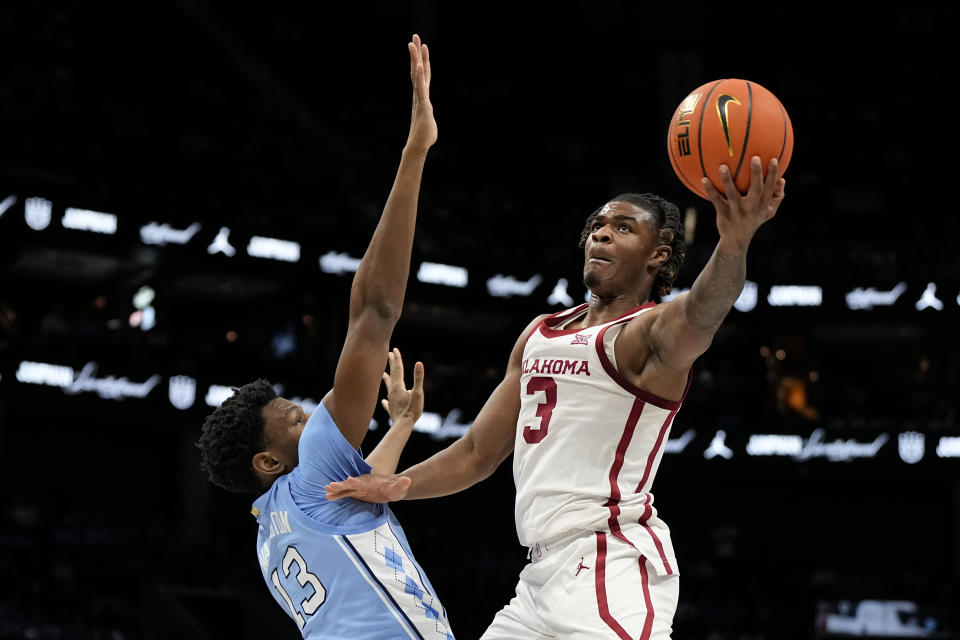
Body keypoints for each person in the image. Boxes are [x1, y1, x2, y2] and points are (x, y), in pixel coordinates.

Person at [327, 159, 786, 638]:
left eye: (623, 228)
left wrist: (735, 241)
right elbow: (477, 452)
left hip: (609, 563)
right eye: (597, 226)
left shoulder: (644, 336)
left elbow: (703, 312)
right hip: (539, 578)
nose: (601, 235)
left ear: (658, 257)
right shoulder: (539, 334)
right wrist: (398, 485)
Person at [196, 35, 457, 639]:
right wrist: (415, 152)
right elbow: (373, 308)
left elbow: (360, 489)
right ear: (269, 461)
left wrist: (400, 427)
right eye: (296, 421)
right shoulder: (309, 474)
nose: (313, 419)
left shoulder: (275, 533)